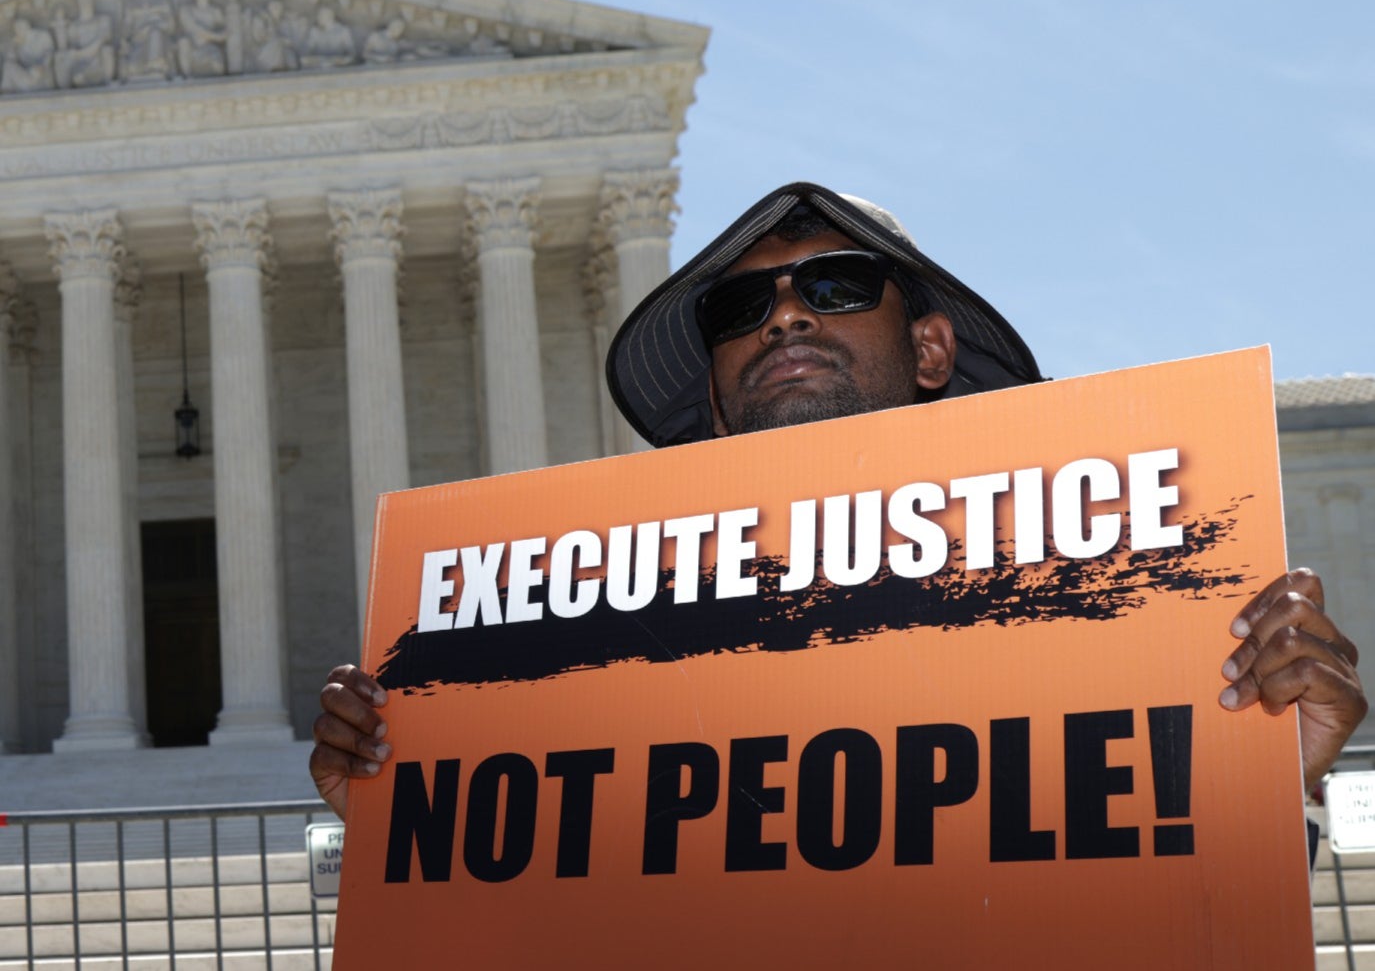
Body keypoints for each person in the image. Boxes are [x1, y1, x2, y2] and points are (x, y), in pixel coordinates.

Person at [311, 181, 1366, 821]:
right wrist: (410, 797)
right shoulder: (610, 663)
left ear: (930, 346)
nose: (782, 318)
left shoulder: (1102, 594)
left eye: (834, 284)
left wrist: (1264, 787)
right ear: (716, 400)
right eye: (741, 304)